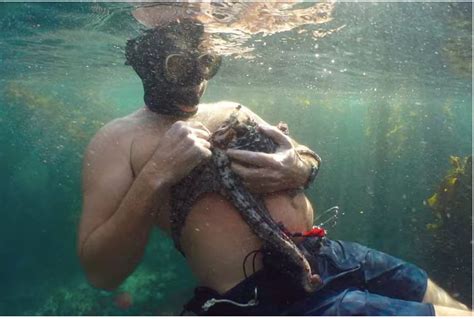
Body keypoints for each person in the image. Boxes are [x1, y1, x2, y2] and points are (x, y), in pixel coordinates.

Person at [77, 19, 471, 316]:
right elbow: (101, 273)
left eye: (207, 64)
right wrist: (155, 175)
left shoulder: (230, 109)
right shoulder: (118, 141)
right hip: (271, 297)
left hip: (329, 254)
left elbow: (304, 156)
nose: (198, 81)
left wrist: (299, 168)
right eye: (181, 66)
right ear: (145, 63)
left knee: (453, 304)